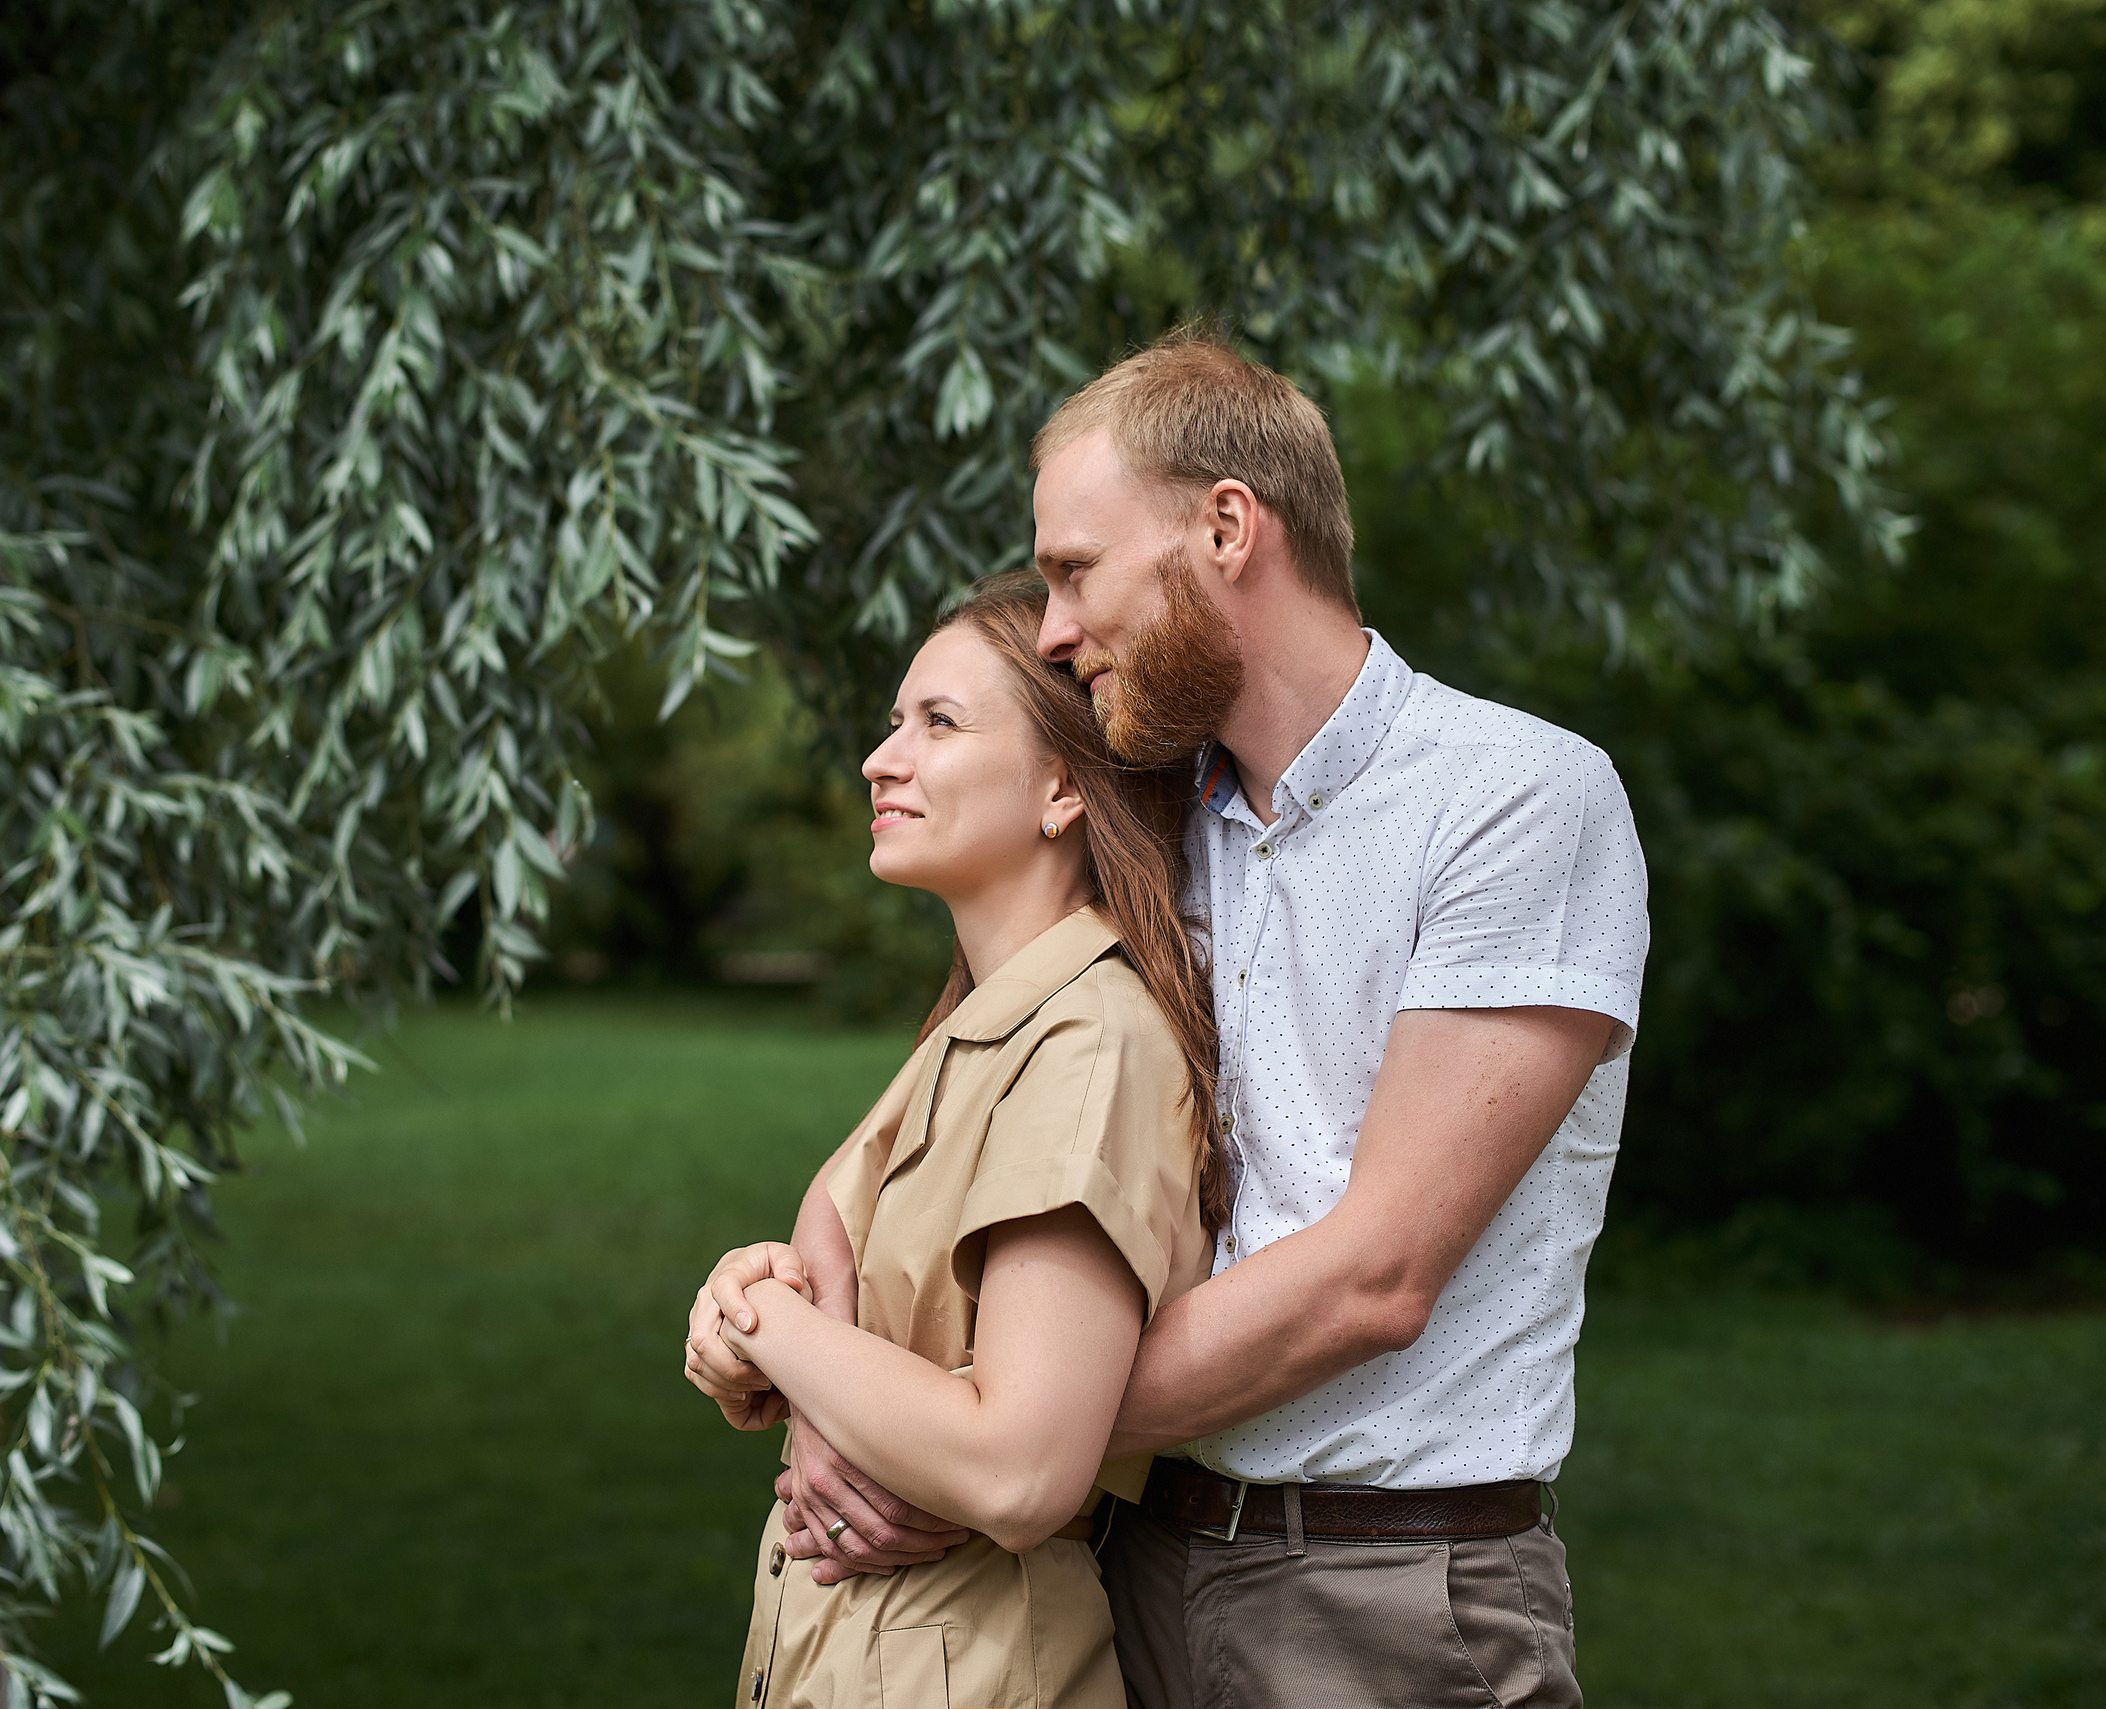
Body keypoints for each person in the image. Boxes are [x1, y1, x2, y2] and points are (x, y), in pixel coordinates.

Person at [703, 327, 1651, 1708]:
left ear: (1225, 527)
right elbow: (904, 1126)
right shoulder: (1152, 822)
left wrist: (995, 1440)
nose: (1056, 628)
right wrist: (838, 1389)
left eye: (1075, 571)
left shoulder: (1512, 800)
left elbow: (1376, 1275)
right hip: (1124, 1571)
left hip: (1382, 1590)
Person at [683, 575, 1227, 1709]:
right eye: (895, 722)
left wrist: (765, 1324)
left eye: (938, 722)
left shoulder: (1087, 1043)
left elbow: (1019, 1466)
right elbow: (837, 1255)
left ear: (1062, 788)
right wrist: (756, 1311)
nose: (880, 760)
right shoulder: (980, 1026)